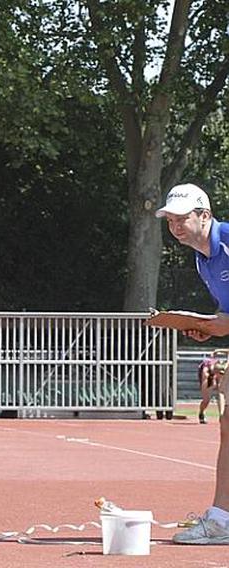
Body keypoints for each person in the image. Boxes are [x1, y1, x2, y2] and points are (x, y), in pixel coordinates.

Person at [156, 183, 229, 544]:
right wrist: (207, 327)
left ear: (205, 214)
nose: (175, 225)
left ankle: (220, 519)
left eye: (182, 218)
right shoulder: (202, 260)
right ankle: (220, 518)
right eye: (170, 220)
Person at [198, 356, 225, 424]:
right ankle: (201, 412)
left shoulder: (222, 371)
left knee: (220, 395)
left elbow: (221, 391)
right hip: (208, 377)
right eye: (219, 372)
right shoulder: (205, 371)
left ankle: (222, 415)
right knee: (206, 400)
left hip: (214, 372)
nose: (220, 374)